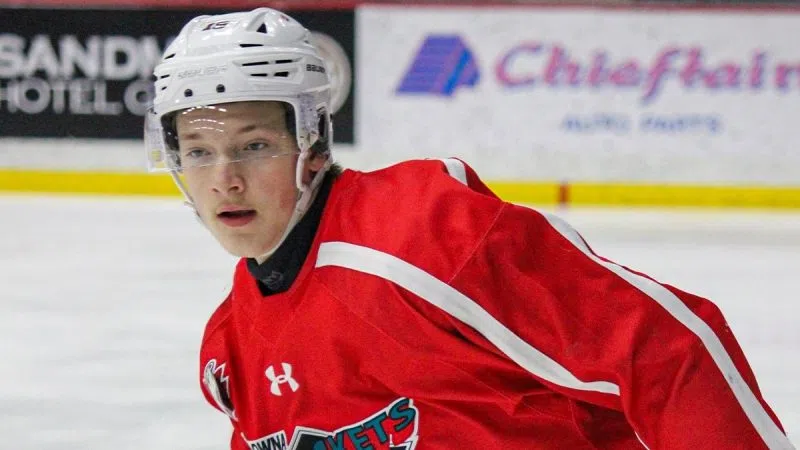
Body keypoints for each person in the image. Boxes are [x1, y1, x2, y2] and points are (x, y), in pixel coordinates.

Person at [145, 8, 794, 450]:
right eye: (198, 152)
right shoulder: (229, 349)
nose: (224, 179)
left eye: (254, 146)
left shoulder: (420, 237)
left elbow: (667, 348)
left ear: (311, 142)